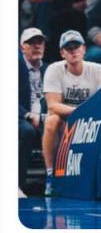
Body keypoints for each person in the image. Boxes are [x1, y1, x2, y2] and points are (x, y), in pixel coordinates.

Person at [42, 30, 101, 196]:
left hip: (93, 121)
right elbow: (53, 106)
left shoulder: (98, 70)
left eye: (76, 46)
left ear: (84, 49)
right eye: (68, 48)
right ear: (62, 53)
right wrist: (80, 112)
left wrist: (85, 115)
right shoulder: (54, 70)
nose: (73, 51)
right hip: (67, 120)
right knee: (51, 121)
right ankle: (50, 175)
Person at [19, 28, 48, 195]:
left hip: (45, 117)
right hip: (20, 116)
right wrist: (27, 115)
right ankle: (17, 185)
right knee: (27, 131)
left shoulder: (50, 69)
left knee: (60, 126)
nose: (37, 46)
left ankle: (54, 183)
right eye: (31, 43)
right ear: (22, 47)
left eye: (40, 42)